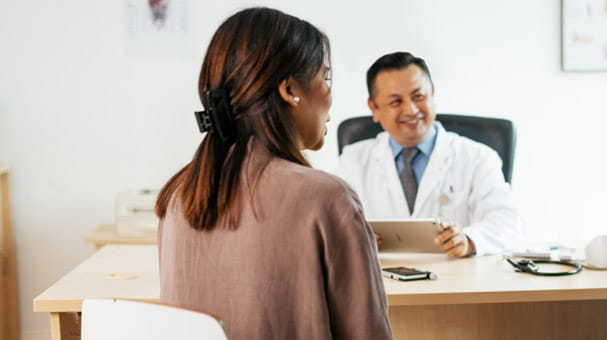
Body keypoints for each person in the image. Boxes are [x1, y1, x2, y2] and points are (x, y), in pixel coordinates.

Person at [154, 8, 392, 340]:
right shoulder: (326, 199)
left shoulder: (179, 196)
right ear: (290, 90)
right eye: (325, 79)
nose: (330, 96)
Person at [336, 52, 524, 257]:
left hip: (456, 274)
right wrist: (354, 237)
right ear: (374, 108)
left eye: (419, 96)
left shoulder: (478, 157)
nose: (411, 110)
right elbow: (334, 228)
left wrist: (469, 240)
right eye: (396, 102)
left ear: (432, 93)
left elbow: (509, 225)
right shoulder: (352, 161)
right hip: (382, 275)